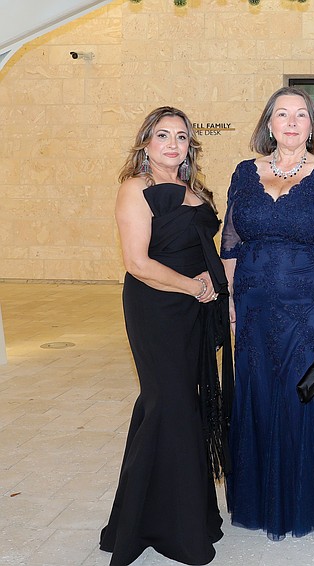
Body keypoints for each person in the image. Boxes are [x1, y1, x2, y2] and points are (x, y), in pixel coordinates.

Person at [221, 86, 314, 542]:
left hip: (310, 304)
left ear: (312, 126)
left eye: (301, 114)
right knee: (259, 392)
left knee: (307, 393)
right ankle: (264, 497)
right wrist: (231, 304)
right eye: (283, 114)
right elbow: (231, 243)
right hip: (255, 303)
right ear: (270, 124)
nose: (292, 121)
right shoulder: (244, 173)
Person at [101, 106, 231, 566]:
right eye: (162, 136)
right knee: (170, 405)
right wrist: (194, 286)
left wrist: (213, 290)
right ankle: (167, 528)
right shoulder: (136, 189)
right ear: (145, 143)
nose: (172, 144)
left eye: (181, 136)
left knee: (172, 406)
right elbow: (137, 263)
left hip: (194, 311)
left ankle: (155, 515)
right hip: (157, 308)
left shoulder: (193, 189)